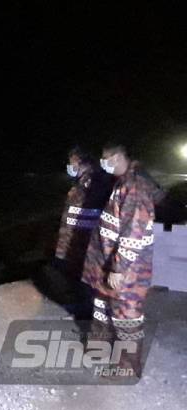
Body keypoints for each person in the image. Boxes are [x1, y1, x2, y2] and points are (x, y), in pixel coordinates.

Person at [82, 143, 159, 378]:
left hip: (127, 270)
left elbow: (135, 230)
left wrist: (119, 267)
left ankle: (127, 367)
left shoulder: (135, 186)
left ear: (116, 158)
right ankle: (100, 348)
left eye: (105, 159)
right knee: (102, 308)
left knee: (126, 316)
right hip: (106, 264)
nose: (103, 164)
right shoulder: (122, 183)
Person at [54, 146, 114, 320]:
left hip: (85, 241)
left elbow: (100, 210)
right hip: (72, 240)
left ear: (81, 161)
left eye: (71, 161)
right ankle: (82, 307)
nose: (69, 165)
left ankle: (91, 312)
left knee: (87, 278)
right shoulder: (81, 181)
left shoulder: (96, 181)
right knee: (76, 276)